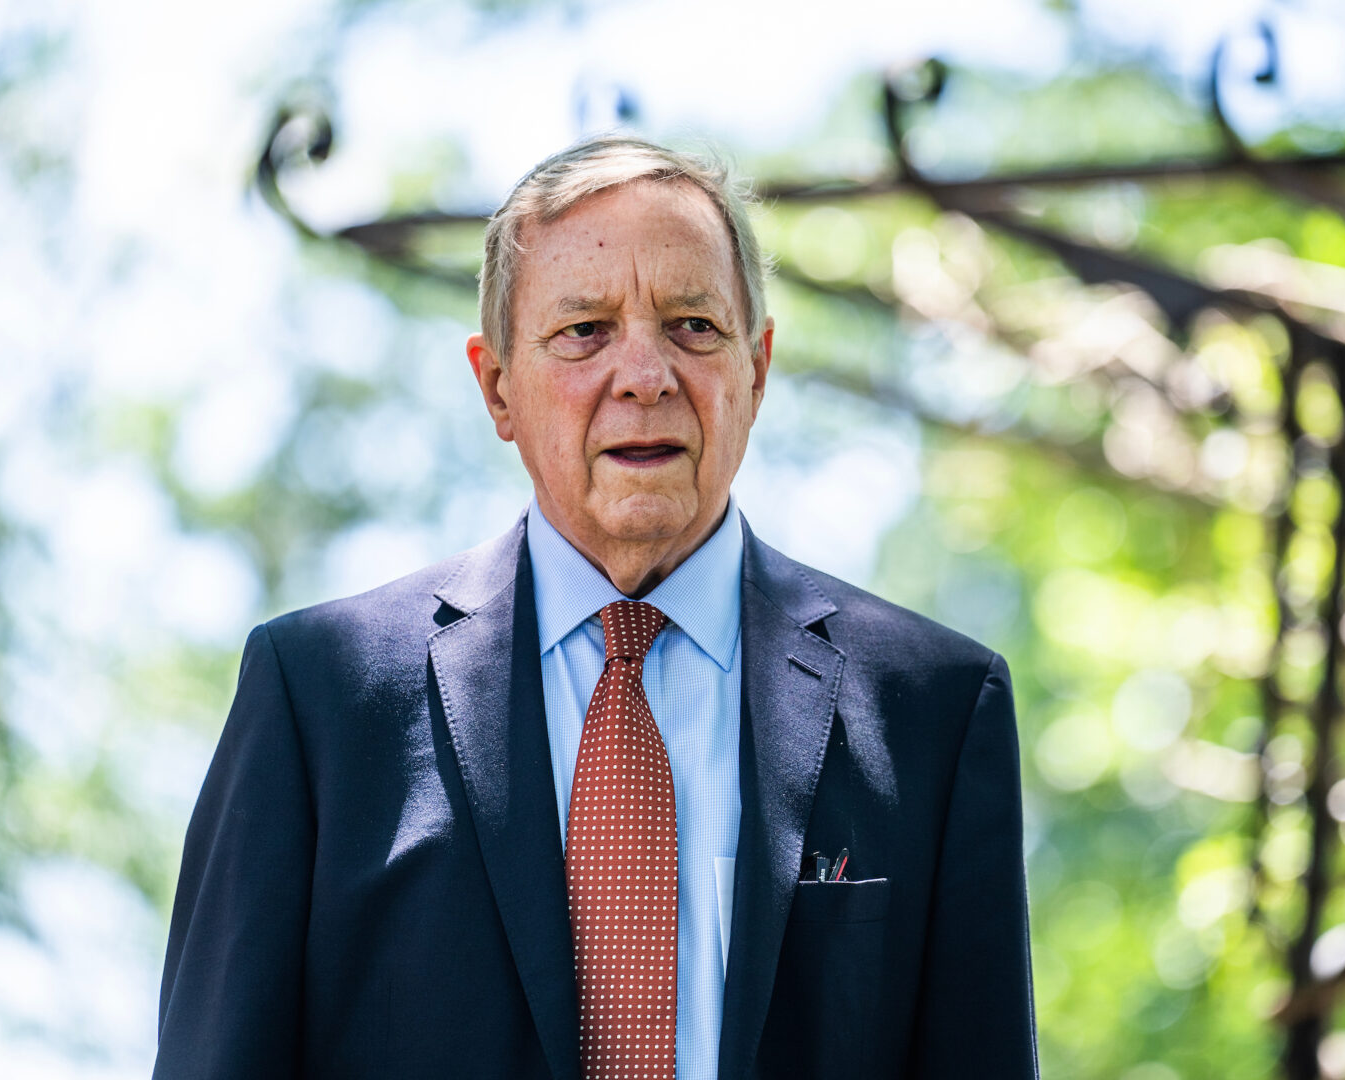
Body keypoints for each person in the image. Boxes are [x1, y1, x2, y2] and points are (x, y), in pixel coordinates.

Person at [152, 134, 1037, 1080]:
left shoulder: (937, 710)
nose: (645, 375)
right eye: (585, 331)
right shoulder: (319, 701)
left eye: (694, 325)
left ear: (757, 369)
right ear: (497, 385)